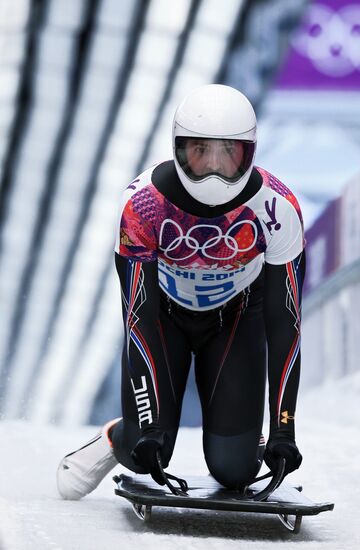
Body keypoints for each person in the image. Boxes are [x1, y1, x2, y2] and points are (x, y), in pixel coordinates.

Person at [57, 84, 306, 500]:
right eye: (199, 151)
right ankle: (114, 438)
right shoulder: (142, 205)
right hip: (163, 318)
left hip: (238, 317)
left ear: (249, 154)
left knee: (234, 470)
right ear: (177, 148)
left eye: (227, 154)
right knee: (145, 449)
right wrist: (149, 427)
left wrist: (284, 428)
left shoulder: (278, 209)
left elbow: (286, 323)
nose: (212, 169)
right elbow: (138, 317)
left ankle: (247, 442)